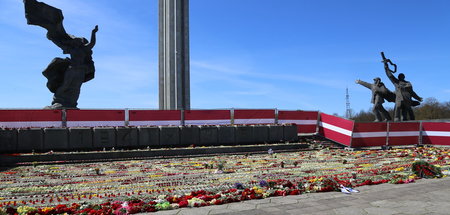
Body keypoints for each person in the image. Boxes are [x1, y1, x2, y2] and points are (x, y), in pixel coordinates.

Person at [45, 25, 98, 109]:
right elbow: (59, 43)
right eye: (77, 41)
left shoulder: (84, 49)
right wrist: (52, 36)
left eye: (79, 41)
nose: (78, 41)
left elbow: (92, 43)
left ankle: (72, 103)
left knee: (76, 87)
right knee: (66, 84)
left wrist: (93, 33)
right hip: (72, 69)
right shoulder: (71, 49)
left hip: (81, 70)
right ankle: (58, 100)